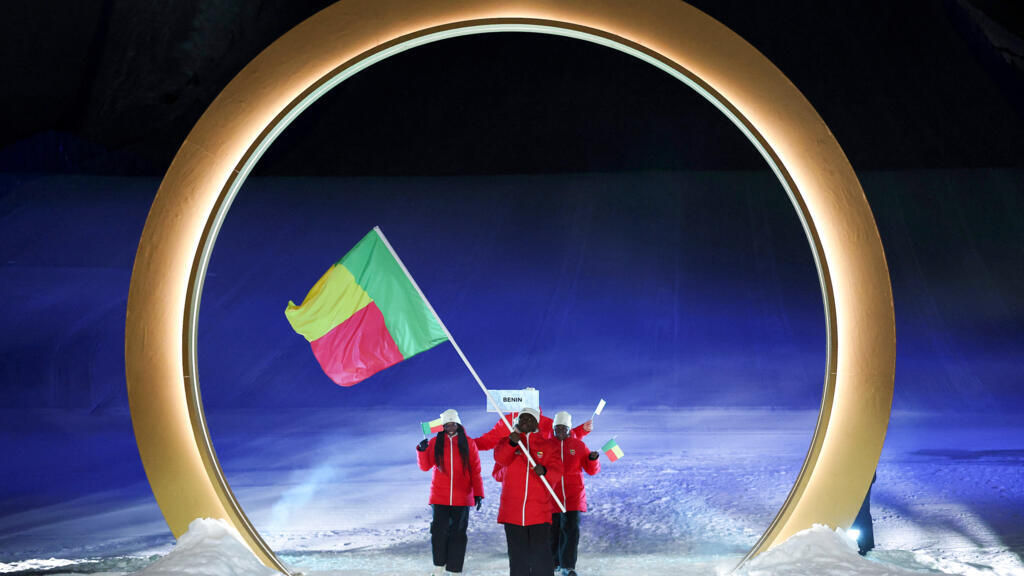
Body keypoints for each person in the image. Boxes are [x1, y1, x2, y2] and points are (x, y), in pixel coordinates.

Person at [495, 406, 564, 576]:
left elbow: (558, 472)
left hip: (539, 511)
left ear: (536, 423)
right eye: (522, 418)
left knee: (541, 555)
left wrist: (545, 471)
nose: (525, 421)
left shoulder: (547, 446)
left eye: (530, 418)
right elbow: (500, 459)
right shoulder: (507, 441)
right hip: (512, 512)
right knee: (518, 556)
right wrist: (511, 443)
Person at [416, 409, 485, 576]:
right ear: (443, 426)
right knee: (438, 532)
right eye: (447, 425)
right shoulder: (435, 442)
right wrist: (422, 450)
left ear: (458, 424)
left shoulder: (468, 443)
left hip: (462, 496)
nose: (450, 427)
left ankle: (454, 569)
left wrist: (478, 493)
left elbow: (475, 469)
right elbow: (425, 467)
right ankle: (439, 566)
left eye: (453, 424)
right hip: (440, 496)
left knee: (458, 533)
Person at [475, 406, 592, 482]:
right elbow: (488, 440)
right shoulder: (507, 422)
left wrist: (581, 430)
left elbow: (562, 436)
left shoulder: (544, 423)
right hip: (513, 482)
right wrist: (469, 444)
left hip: (538, 479)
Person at [549, 412, 600, 576]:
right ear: (553, 429)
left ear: (569, 429)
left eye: (563, 428)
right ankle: (554, 563)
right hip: (552, 496)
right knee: (553, 530)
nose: (560, 431)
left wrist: (592, 459)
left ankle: (568, 566)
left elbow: (591, 470)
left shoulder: (578, 446)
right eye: (557, 428)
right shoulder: (546, 446)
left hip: (574, 496)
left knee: (571, 530)